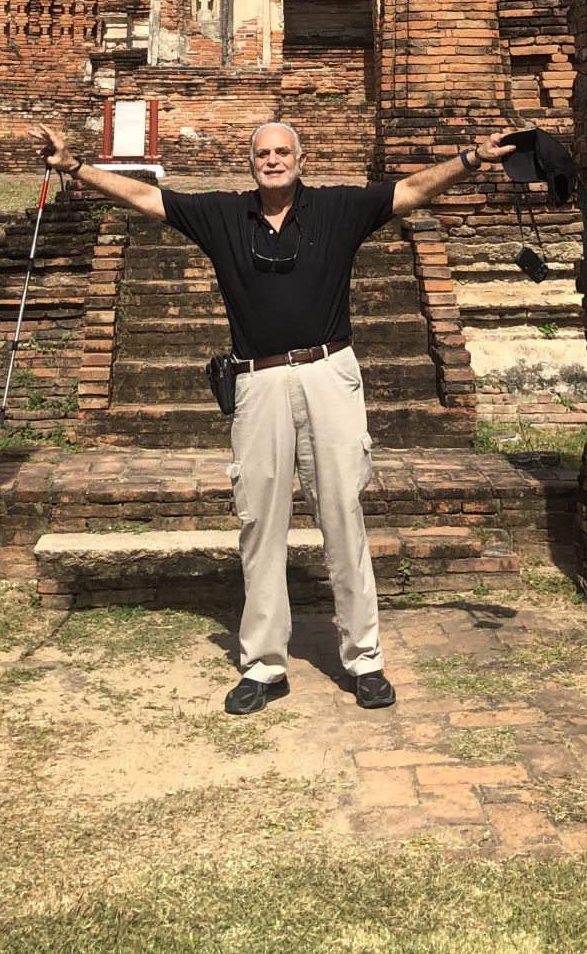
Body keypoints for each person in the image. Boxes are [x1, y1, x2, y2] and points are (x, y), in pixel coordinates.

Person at [36, 118, 525, 715]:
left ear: (301, 157)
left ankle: (363, 657)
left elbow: (413, 190)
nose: (273, 161)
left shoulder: (338, 210)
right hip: (257, 379)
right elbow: (145, 196)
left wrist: (471, 158)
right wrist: (76, 168)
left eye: (282, 151)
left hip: (328, 371)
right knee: (260, 520)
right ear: (251, 163)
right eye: (263, 153)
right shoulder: (223, 216)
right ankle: (265, 664)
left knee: (342, 510)